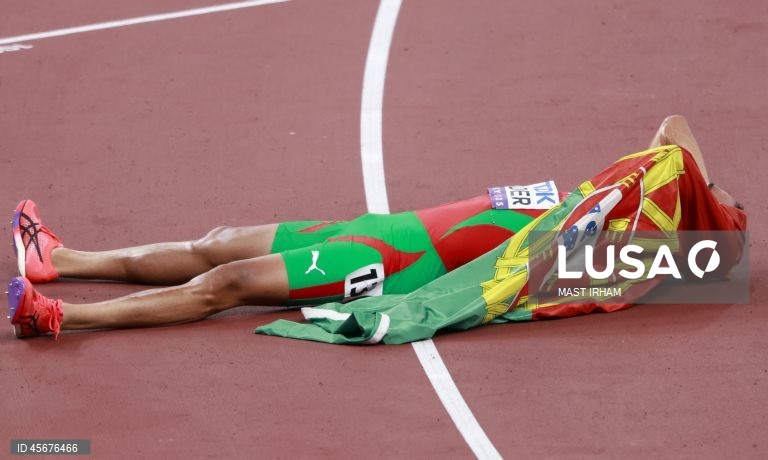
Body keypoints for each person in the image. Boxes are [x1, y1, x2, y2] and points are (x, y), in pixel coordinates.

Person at [6, 115, 746, 340]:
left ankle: (63, 315)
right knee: (219, 239)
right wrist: (707, 191)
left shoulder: (586, 256)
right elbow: (674, 133)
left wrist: (713, 226)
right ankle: (60, 259)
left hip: (389, 265)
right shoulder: (606, 198)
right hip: (372, 226)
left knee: (225, 284)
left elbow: (710, 258)